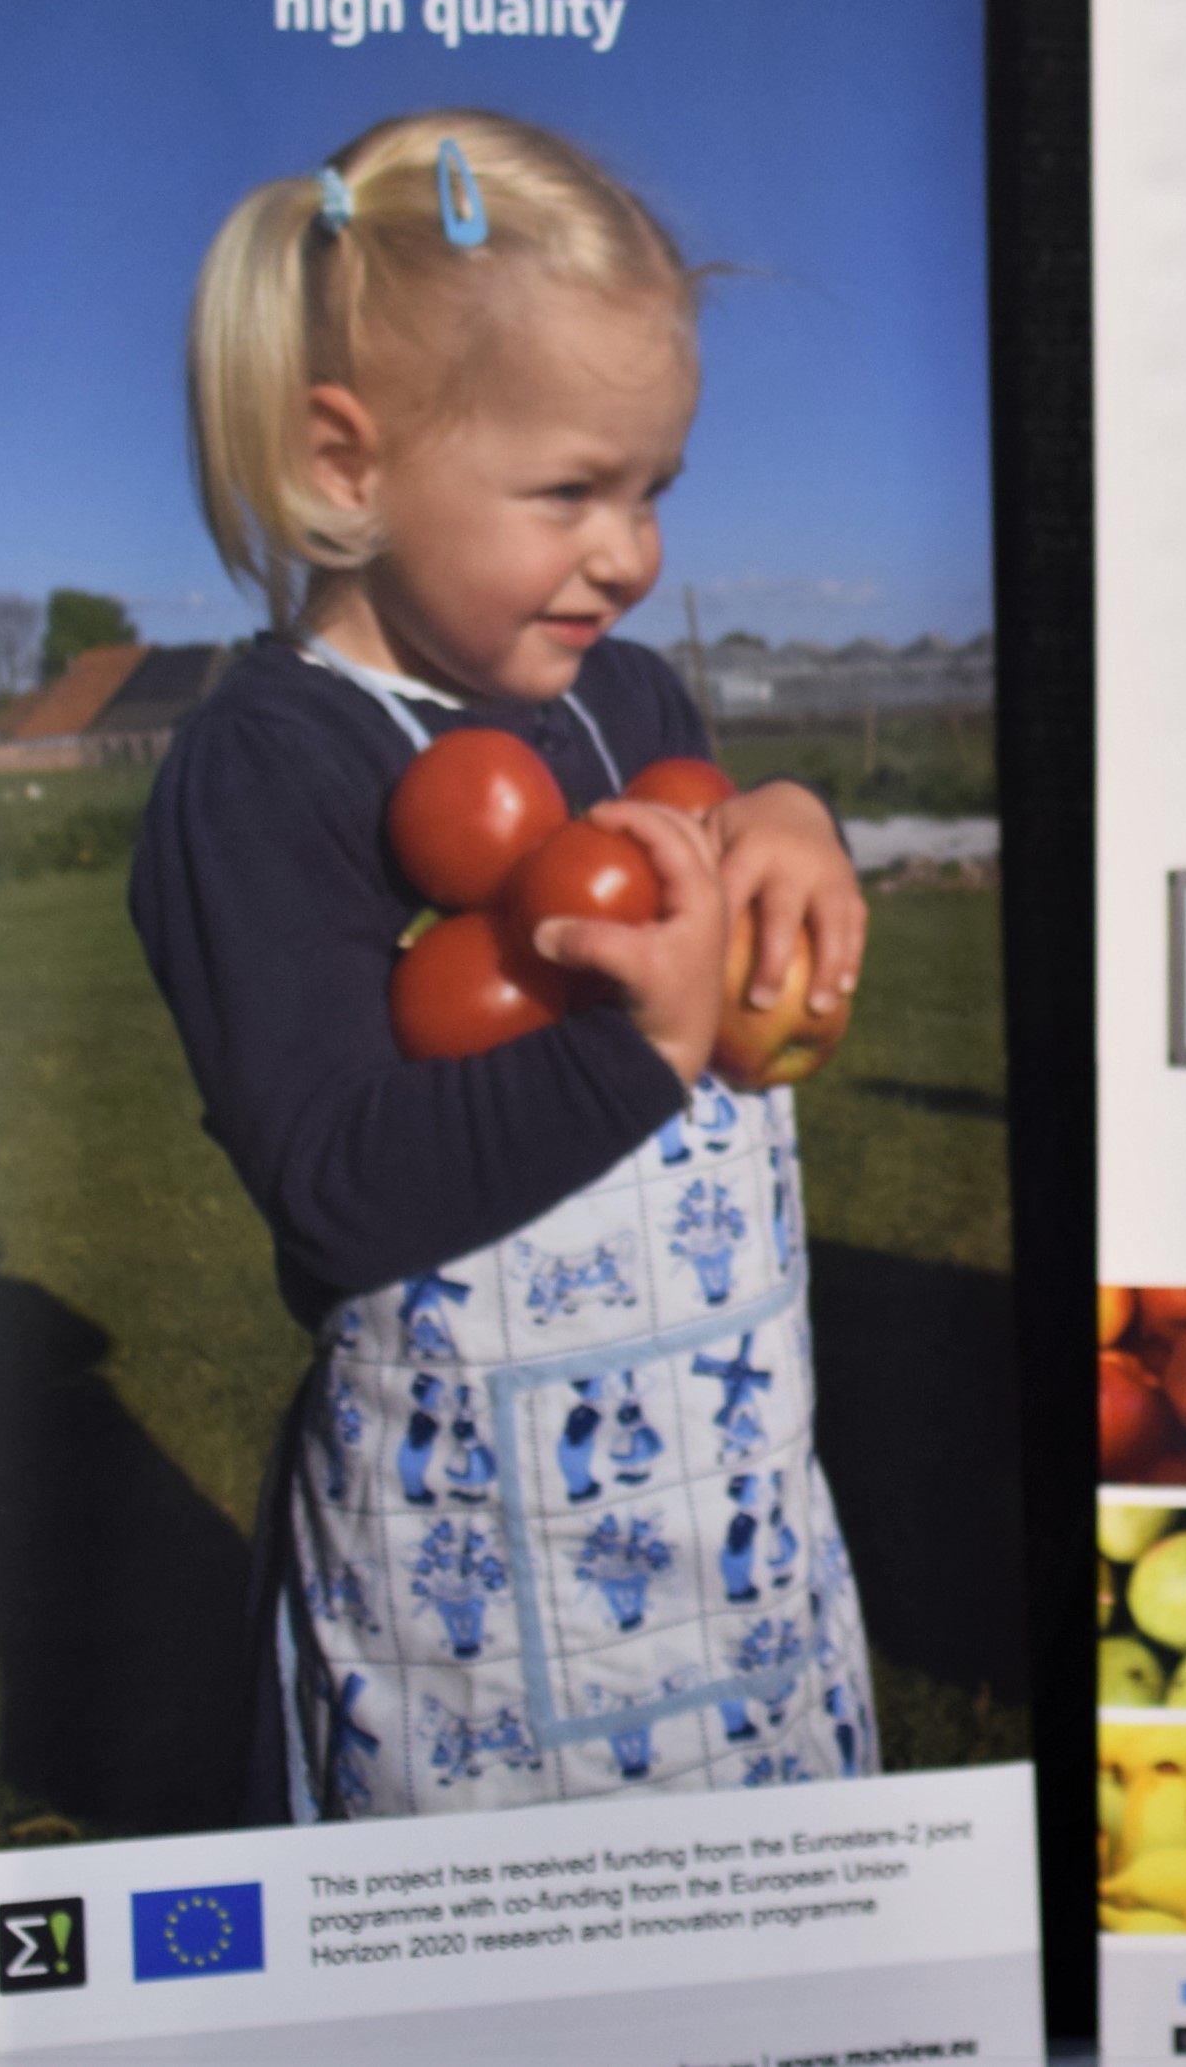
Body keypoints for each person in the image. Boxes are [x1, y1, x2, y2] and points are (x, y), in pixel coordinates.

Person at [132, 109, 878, 1818]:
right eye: (570, 492)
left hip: (738, 1538)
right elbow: (332, 1184)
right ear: (346, 465)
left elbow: (722, 927)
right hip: (471, 1601)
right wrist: (631, 1051)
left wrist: (785, 817)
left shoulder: (628, 702)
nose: (632, 553)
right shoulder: (269, 767)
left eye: (653, 489)